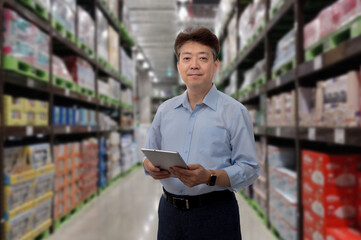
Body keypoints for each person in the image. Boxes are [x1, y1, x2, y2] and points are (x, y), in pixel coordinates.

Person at [143, 27, 260, 240]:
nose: (194, 65)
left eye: (203, 58)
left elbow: (250, 169)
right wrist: (149, 166)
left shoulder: (234, 111)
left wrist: (209, 177)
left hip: (215, 215)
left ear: (215, 65)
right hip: (169, 213)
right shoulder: (165, 110)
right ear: (179, 66)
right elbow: (147, 155)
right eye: (186, 58)